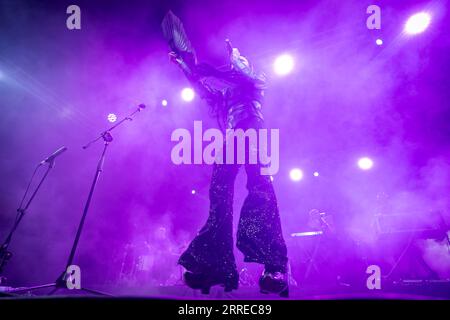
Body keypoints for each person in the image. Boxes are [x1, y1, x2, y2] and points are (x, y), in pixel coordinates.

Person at [168, 39, 288, 297]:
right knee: (219, 195)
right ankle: (212, 265)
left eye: (237, 63)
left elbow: (243, 75)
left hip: (254, 129)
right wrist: (184, 67)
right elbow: (203, 90)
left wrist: (234, 55)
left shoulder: (255, 82)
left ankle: (274, 266)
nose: (232, 67)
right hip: (233, 136)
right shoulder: (224, 96)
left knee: (261, 189)